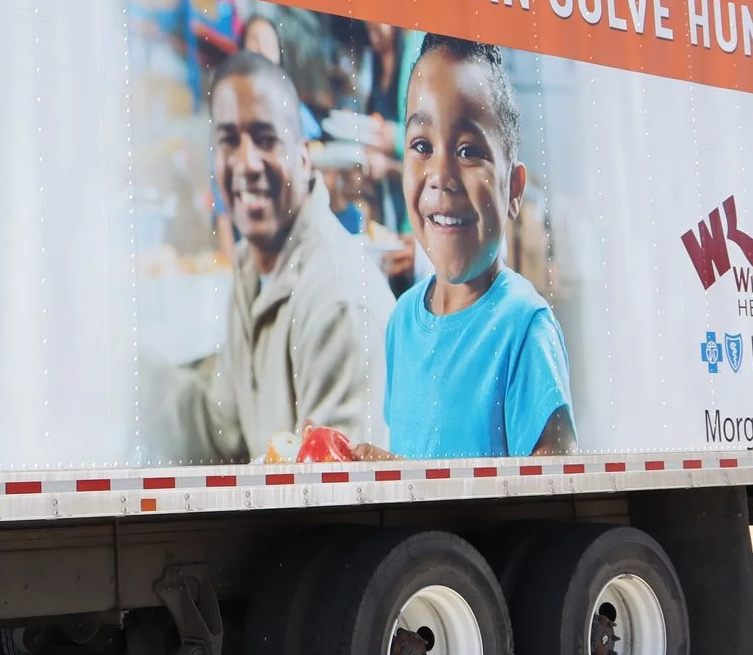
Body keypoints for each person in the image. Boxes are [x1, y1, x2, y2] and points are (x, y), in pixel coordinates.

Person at [177, 49, 393, 462]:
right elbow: (224, 431)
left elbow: (333, 496)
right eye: (228, 141)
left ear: (305, 156)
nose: (246, 162)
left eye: (265, 139)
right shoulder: (250, 267)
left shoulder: (337, 299)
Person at [376, 34, 576, 459]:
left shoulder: (525, 329)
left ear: (514, 189)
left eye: (468, 151)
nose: (441, 174)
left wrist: (417, 495)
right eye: (422, 146)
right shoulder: (400, 325)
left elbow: (557, 503)